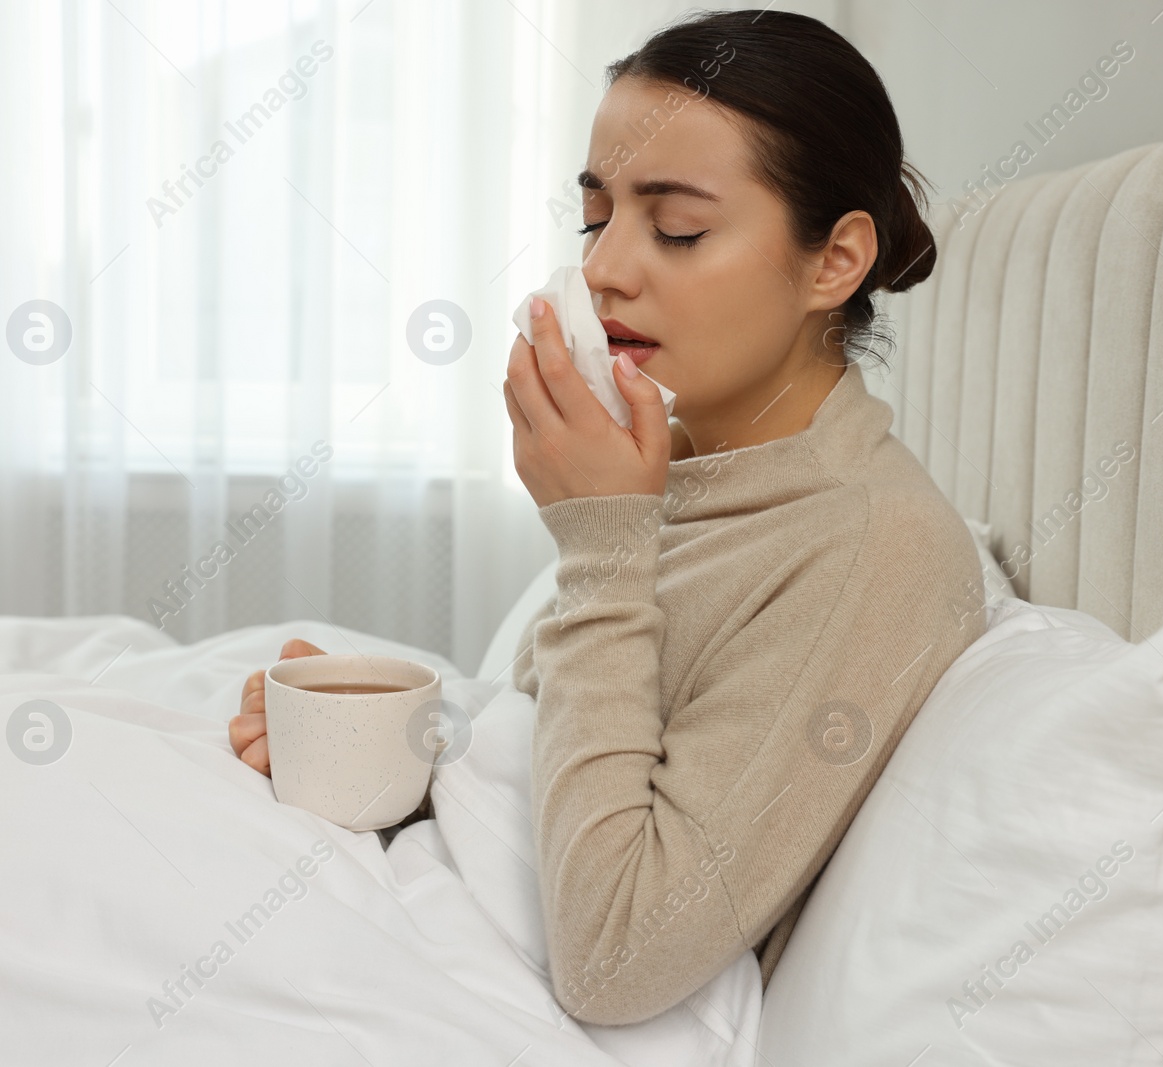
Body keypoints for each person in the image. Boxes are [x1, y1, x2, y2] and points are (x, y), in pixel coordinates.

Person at [232, 7, 986, 1028]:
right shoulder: (686, 467)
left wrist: (602, 547)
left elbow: (618, 955)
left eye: (676, 228)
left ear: (834, 262)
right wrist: (397, 760)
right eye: (596, 219)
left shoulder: (869, 547)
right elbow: (586, 766)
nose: (602, 270)